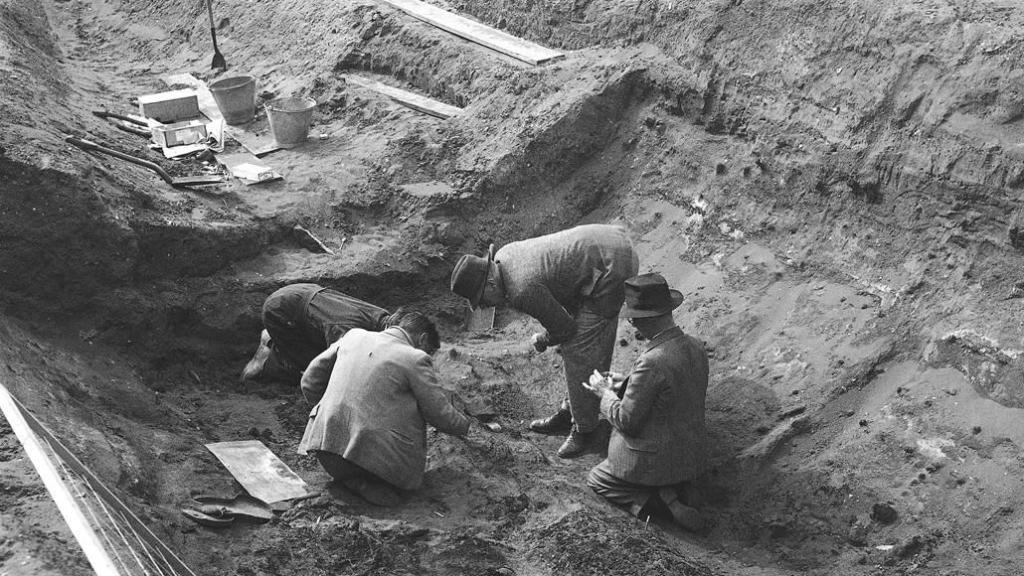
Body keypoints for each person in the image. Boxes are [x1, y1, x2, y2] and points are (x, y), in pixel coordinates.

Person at [450, 224, 639, 458]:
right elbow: (559, 287)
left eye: (481, 299)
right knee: (579, 342)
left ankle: (586, 431)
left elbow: (565, 329)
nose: (483, 306)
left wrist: (543, 339)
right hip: (603, 245)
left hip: (613, 266)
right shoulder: (503, 256)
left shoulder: (521, 289)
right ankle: (572, 409)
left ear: (490, 284)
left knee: (580, 348)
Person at [296, 310, 471, 506]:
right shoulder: (414, 357)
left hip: (325, 450)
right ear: (422, 339)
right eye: (429, 350)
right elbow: (438, 414)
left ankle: (353, 480)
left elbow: (309, 381)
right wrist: (466, 426)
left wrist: (329, 410)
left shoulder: (354, 336)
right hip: (375, 464)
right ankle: (366, 481)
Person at [582, 273, 709, 531]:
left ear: (642, 319)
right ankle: (673, 490)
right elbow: (671, 392)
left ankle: (661, 504)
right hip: (689, 455)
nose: (631, 324)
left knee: (597, 478)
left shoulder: (652, 361)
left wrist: (604, 394)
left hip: (654, 459)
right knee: (663, 458)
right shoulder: (696, 346)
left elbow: (626, 420)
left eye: (632, 318)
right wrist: (627, 383)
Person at [240, 283, 390, 385]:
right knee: (311, 369)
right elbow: (341, 367)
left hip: (301, 295)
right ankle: (269, 352)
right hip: (281, 310)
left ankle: (272, 338)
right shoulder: (346, 330)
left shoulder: (381, 316)